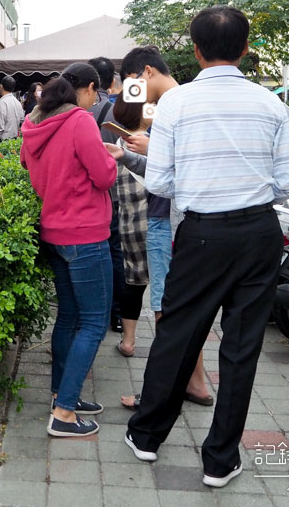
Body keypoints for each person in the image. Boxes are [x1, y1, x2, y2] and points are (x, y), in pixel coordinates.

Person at [124, 7, 289, 489]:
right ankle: (220, 461)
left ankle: (145, 436)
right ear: (246, 50)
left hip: (201, 234)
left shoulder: (176, 106)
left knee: (178, 333)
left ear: (196, 50)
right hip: (259, 234)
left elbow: (159, 181)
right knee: (242, 348)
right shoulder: (271, 105)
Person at [20, 63, 117, 438]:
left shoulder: (34, 124)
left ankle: (64, 394)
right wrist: (112, 156)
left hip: (55, 232)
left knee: (68, 318)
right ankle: (63, 413)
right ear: (88, 88)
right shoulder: (79, 122)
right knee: (93, 323)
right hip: (86, 234)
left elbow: (29, 166)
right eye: (98, 92)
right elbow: (104, 175)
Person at [114, 46, 213, 407]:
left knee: (165, 309)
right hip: (186, 219)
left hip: (167, 220)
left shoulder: (173, 105)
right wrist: (129, 155)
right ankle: (196, 384)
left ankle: (159, 394)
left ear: (148, 72)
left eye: (133, 84)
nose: (131, 92)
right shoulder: (184, 99)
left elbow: (186, 161)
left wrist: (149, 147)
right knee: (183, 307)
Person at [106, 91, 150, 359]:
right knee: (165, 287)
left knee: (134, 280)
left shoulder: (118, 145)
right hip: (159, 224)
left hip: (128, 225)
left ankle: (128, 341)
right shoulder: (152, 143)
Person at [89, 56, 126, 334]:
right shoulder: (120, 112)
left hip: (86, 196)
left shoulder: (81, 112)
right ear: (112, 80)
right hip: (115, 193)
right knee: (115, 253)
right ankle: (116, 316)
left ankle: (94, 315)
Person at [0, 75, 23, 143]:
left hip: (2, 141)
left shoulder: (1, 103)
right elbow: (22, 120)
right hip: (14, 140)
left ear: (1, 86)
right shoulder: (17, 103)